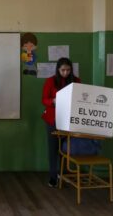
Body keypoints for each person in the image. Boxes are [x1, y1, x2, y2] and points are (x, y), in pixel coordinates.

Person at [41, 57, 80, 187]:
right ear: (58, 69)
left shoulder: (76, 81)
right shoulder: (50, 81)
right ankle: (53, 176)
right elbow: (44, 100)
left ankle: (64, 174)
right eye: (63, 70)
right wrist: (53, 101)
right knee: (53, 149)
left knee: (66, 149)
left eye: (68, 70)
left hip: (70, 120)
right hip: (53, 119)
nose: (65, 73)